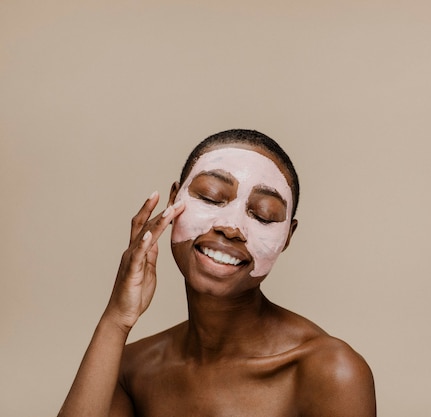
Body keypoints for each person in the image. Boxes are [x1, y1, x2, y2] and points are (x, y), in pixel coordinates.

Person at [58, 129, 376, 417]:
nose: (231, 226)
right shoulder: (132, 370)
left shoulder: (330, 371)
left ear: (287, 237)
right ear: (173, 199)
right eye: (211, 197)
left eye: (264, 215)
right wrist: (116, 319)